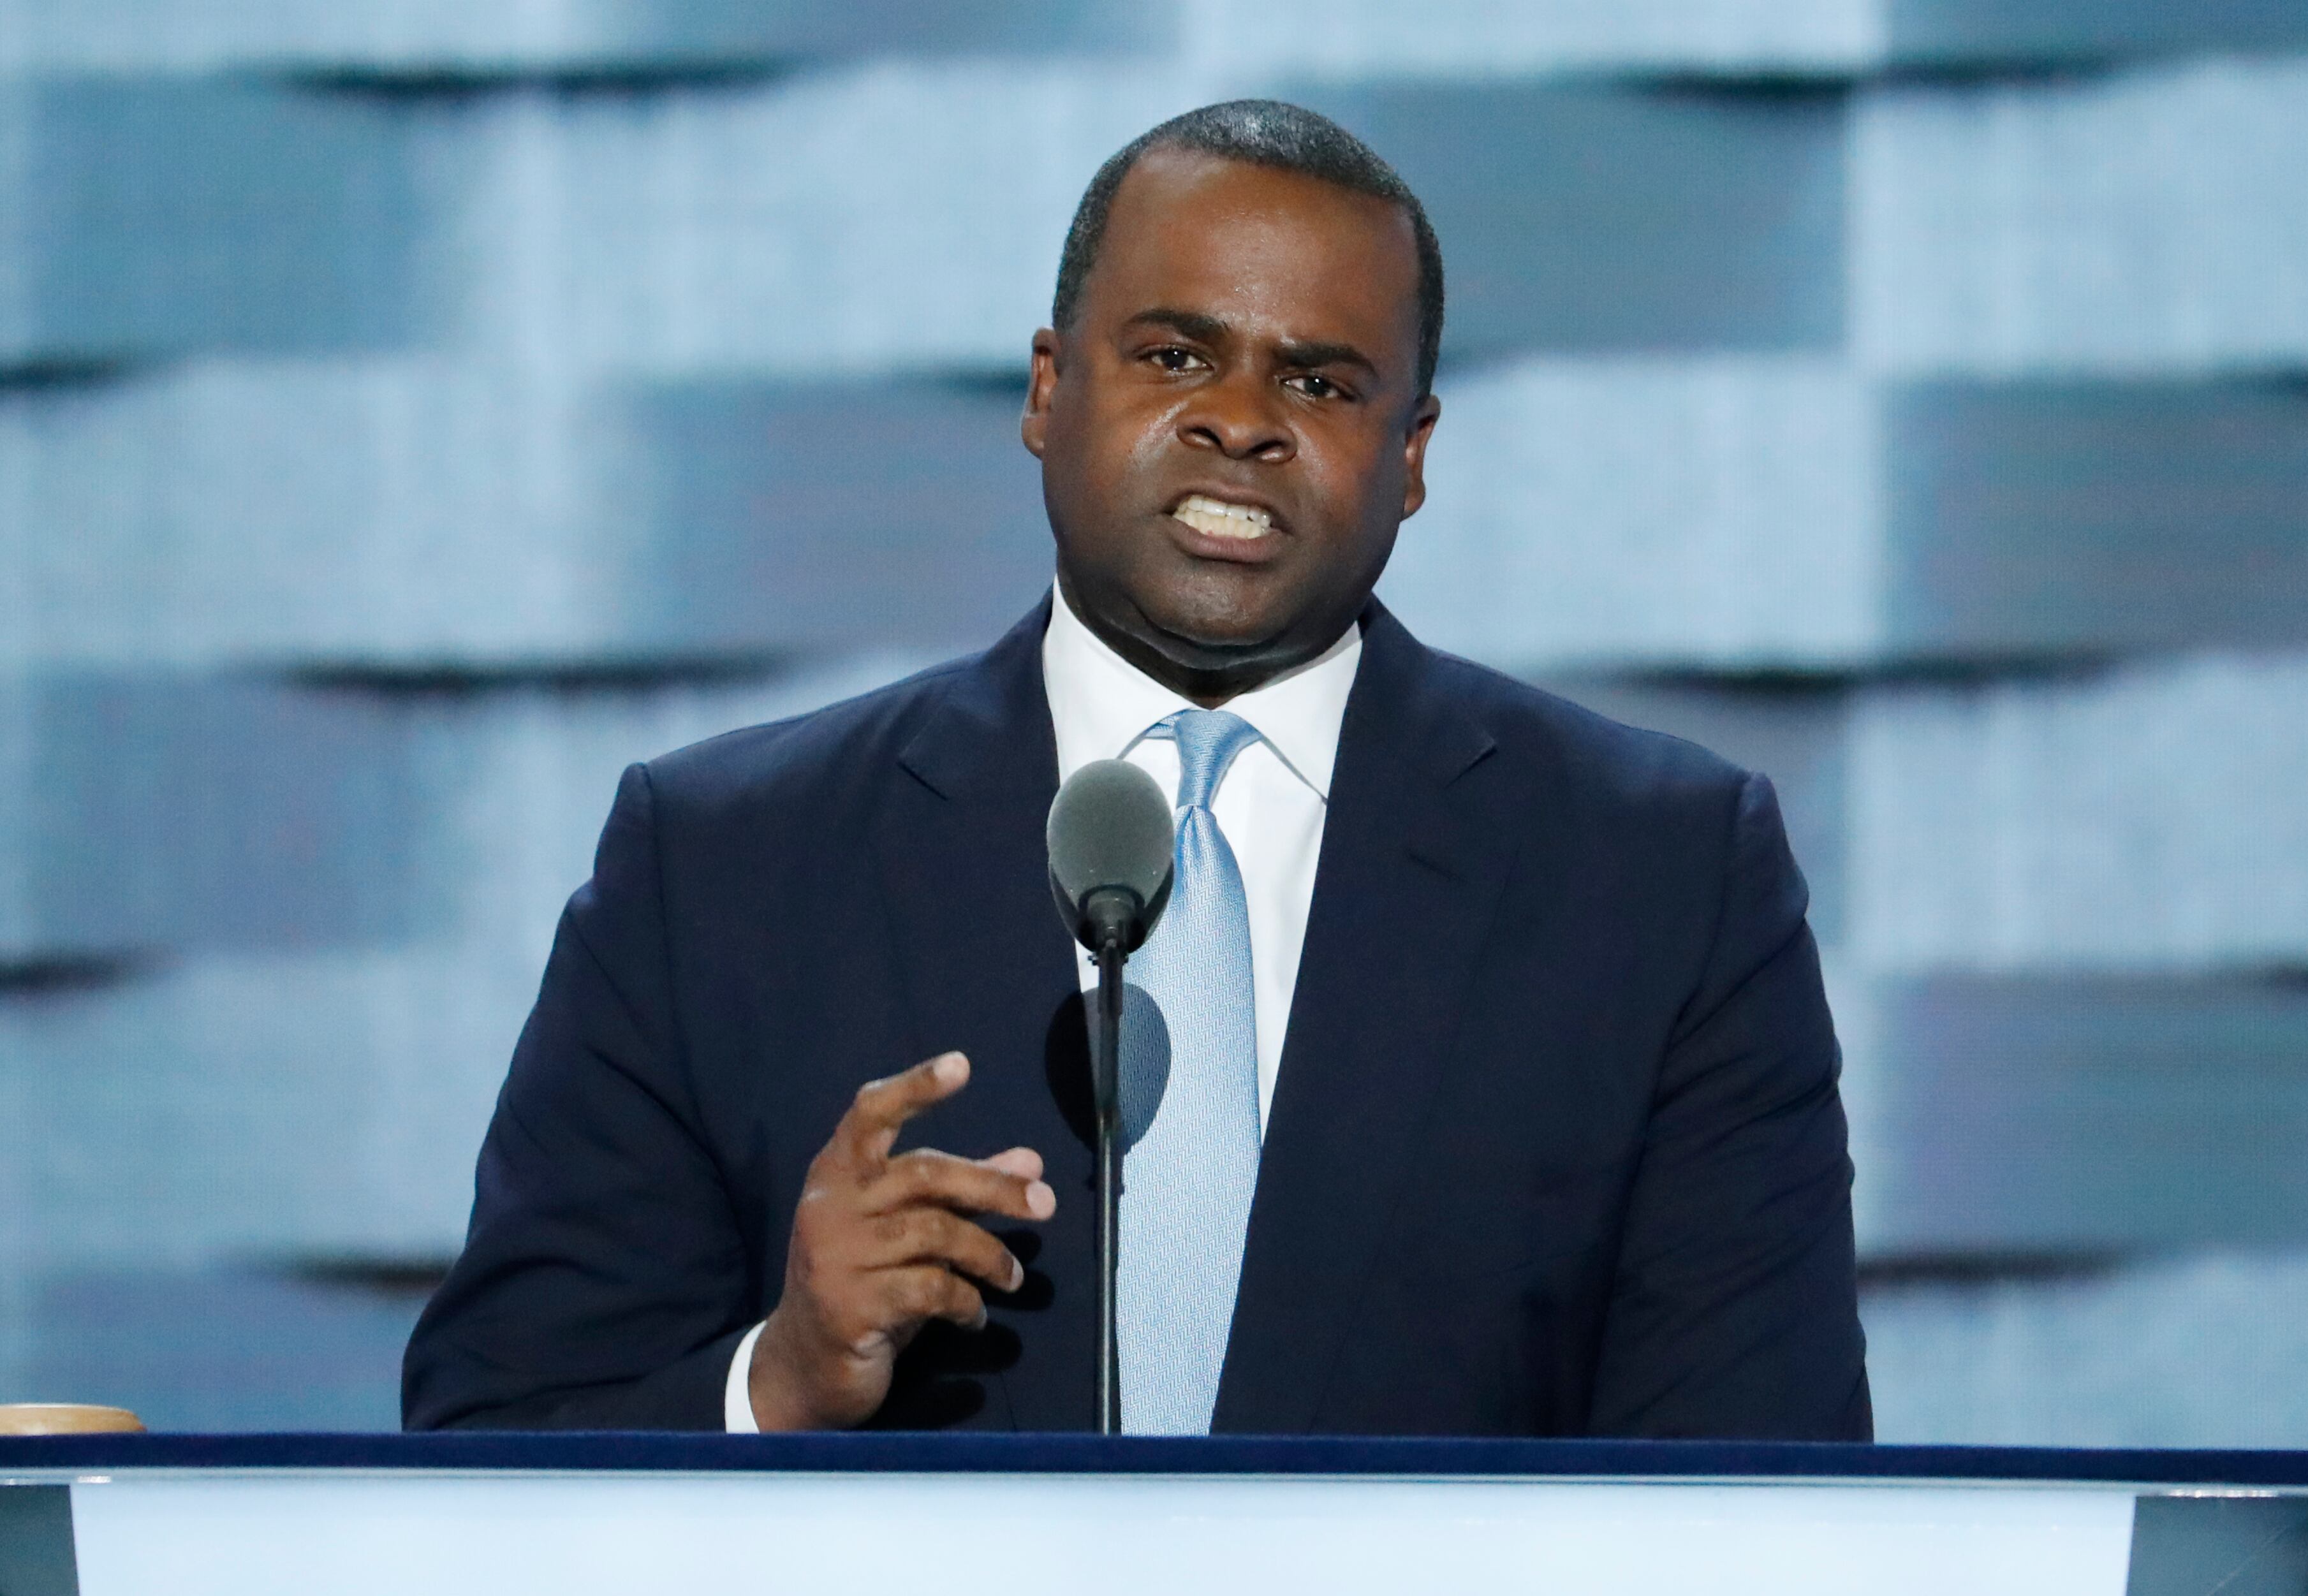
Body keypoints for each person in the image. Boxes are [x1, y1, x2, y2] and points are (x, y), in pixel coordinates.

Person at [402, 101, 1871, 1439]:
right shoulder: (719, 862)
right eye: (1173, 355)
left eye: (1322, 378)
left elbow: (1768, 1494)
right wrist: (776, 1380)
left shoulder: (1662, 878)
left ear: (1413, 454)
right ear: (1049, 391)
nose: (1240, 419)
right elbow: (492, 1440)